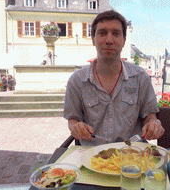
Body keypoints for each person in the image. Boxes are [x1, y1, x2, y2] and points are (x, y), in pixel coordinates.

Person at [64, 10, 164, 146]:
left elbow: (150, 115)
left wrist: (153, 124)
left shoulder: (140, 77)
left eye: (116, 34)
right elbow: (73, 119)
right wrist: (76, 127)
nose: (109, 40)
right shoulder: (77, 80)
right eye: (102, 33)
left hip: (132, 154)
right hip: (92, 155)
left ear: (123, 41)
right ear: (93, 39)